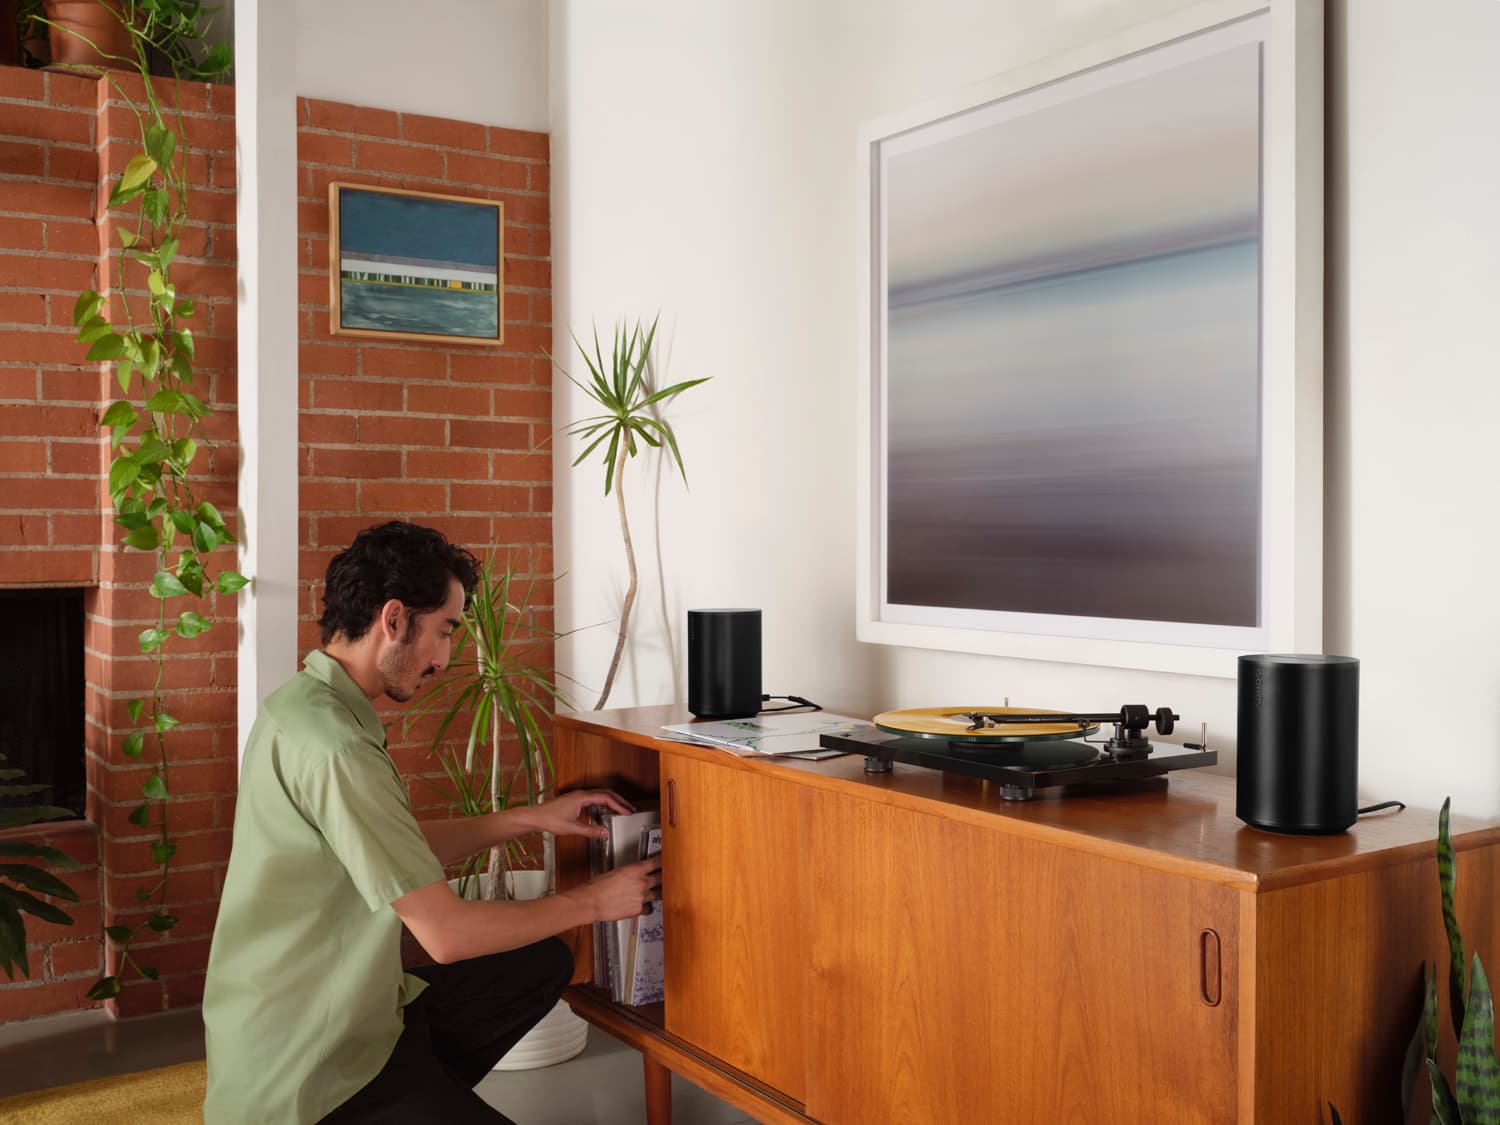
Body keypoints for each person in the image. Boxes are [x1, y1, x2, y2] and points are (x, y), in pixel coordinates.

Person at [203, 521, 660, 1124]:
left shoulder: (303, 707)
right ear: (394, 619)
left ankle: (419, 1096)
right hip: (308, 1070)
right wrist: (595, 902)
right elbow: (446, 937)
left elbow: (392, 850)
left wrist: (529, 819)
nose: (447, 656)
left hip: (344, 1017)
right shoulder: (336, 747)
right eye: (446, 629)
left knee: (541, 963)